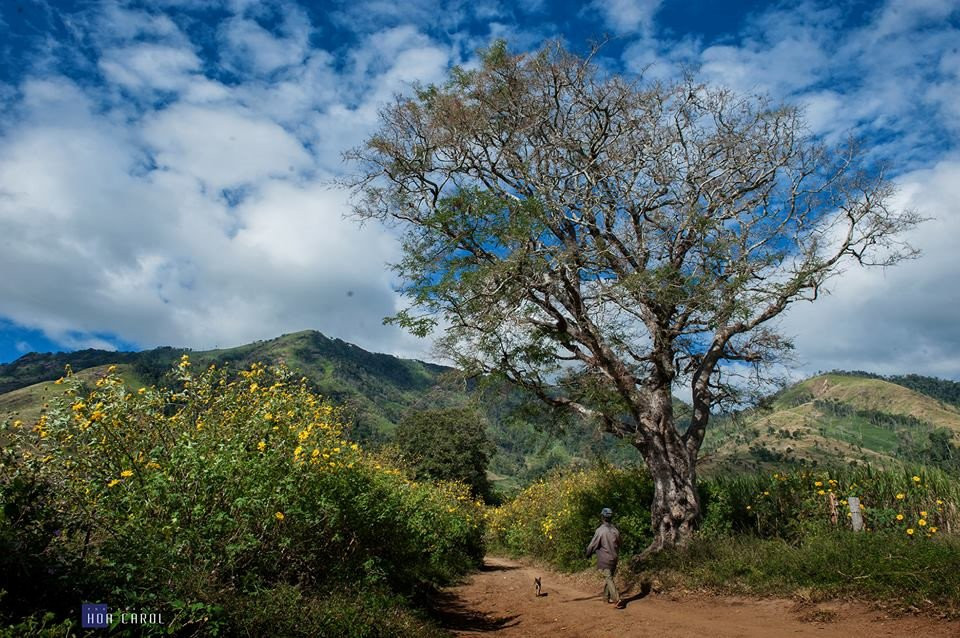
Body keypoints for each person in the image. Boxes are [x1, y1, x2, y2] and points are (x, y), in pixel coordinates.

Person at [585, 507, 623, 608]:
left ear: (602, 517)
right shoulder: (615, 530)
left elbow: (592, 545)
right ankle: (606, 598)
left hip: (605, 559)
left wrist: (588, 553)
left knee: (608, 578)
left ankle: (616, 599)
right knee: (609, 577)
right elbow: (620, 543)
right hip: (614, 557)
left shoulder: (600, 531)